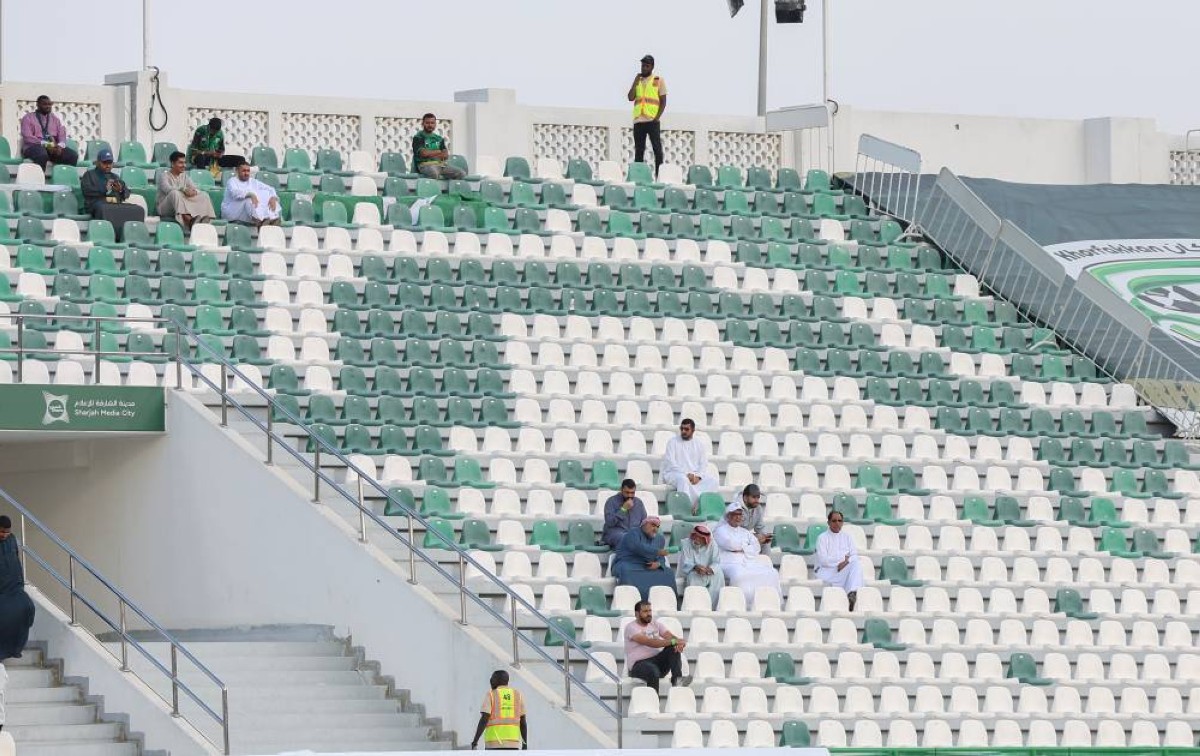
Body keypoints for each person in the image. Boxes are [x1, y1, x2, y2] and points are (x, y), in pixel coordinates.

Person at [713, 503, 782, 602]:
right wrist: (747, 546)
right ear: (728, 516)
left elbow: (756, 547)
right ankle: (739, 602)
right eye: (735, 514)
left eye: (740, 515)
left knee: (772, 572)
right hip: (728, 563)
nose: (738, 517)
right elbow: (731, 545)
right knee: (739, 574)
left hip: (747, 561)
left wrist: (742, 548)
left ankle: (766, 602)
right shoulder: (720, 531)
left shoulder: (744, 532)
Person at [80, 150, 144, 242]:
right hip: (96, 204)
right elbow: (87, 191)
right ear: (98, 162)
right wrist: (105, 189)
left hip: (115, 204)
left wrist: (120, 190)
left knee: (138, 209)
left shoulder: (115, 177)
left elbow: (126, 193)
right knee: (103, 208)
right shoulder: (89, 175)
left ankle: (131, 239)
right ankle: (107, 237)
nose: (108, 165)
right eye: (104, 163)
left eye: (110, 163)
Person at [624, 600, 685, 693]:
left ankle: (678, 683)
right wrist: (674, 641)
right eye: (645, 611)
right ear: (637, 613)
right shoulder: (631, 628)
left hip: (657, 662)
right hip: (638, 666)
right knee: (653, 671)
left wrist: (679, 643)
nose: (649, 614)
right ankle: (654, 703)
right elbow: (651, 642)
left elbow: (670, 637)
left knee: (672, 648)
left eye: (650, 611)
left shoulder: (655, 624)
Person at [612, 517, 675, 601]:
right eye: (653, 525)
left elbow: (661, 558)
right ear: (644, 524)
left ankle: (665, 602)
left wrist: (658, 564)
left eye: (657, 527)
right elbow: (638, 547)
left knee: (669, 572)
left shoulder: (660, 539)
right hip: (629, 564)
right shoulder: (633, 533)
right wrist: (657, 551)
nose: (655, 529)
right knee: (625, 570)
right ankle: (631, 601)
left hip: (648, 566)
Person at [815, 510, 864, 611]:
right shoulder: (822, 538)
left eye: (839, 521)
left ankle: (852, 594)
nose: (837, 523)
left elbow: (854, 555)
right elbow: (824, 561)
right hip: (827, 572)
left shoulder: (847, 537)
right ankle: (851, 594)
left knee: (857, 564)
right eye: (834, 521)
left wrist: (846, 562)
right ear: (828, 522)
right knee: (855, 569)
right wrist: (842, 559)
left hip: (842, 570)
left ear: (842, 522)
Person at [661, 419, 718, 506]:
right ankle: (686, 508)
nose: (683, 431)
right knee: (683, 480)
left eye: (686, 429)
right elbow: (671, 463)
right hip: (674, 474)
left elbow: (703, 464)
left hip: (694, 476)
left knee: (713, 481)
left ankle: (699, 505)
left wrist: (698, 477)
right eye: (682, 429)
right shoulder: (672, 442)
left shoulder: (699, 444)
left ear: (693, 430)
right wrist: (687, 474)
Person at [626, 54, 667, 176]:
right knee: (639, 150)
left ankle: (659, 176)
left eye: (647, 66)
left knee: (657, 150)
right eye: (643, 65)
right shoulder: (638, 81)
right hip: (639, 121)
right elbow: (630, 97)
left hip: (652, 121)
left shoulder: (658, 80)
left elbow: (663, 102)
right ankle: (638, 176)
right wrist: (635, 81)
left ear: (652, 67)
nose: (644, 68)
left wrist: (656, 118)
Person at [0, 517, 33, 660]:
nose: (4, 535)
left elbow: (16, 559)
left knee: (27, 607)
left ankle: (16, 648)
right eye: (1, 531)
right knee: (5, 615)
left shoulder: (12, 540)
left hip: (15, 587)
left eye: (6, 532)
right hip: (1, 591)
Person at [470, 670, 527, 750]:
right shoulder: (517, 695)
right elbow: (523, 722)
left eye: (492, 679)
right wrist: (525, 744)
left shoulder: (491, 695)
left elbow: (484, 718)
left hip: (493, 745)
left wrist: (475, 741)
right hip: (513, 745)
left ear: (496, 680)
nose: (490, 681)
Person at [157, 151, 215, 230]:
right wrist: (183, 189)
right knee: (175, 193)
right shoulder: (164, 176)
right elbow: (167, 189)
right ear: (172, 164)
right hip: (165, 208)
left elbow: (194, 187)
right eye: (180, 163)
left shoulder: (184, 176)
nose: (184, 165)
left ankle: (204, 219)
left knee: (204, 195)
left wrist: (194, 192)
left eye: (184, 163)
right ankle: (189, 220)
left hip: (179, 204)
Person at [18, 96, 78, 170]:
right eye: (45, 104)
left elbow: (62, 134)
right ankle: (39, 179)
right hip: (34, 146)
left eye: (50, 104)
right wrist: (48, 144)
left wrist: (59, 146)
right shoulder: (28, 118)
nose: (48, 106)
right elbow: (28, 137)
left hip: (53, 147)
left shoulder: (55, 119)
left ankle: (66, 179)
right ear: (38, 105)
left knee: (72, 155)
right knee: (42, 154)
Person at [676, 524, 725, 608]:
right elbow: (685, 563)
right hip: (692, 571)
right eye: (695, 536)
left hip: (708, 571)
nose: (696, 539)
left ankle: (713, 607)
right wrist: (695, 567)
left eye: (700, 537)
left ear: (705, 539)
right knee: (693, 577)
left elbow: (716, 562)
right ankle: (694, 607)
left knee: (719, 574)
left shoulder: (712, 544)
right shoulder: (686, 543)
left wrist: (709, 569)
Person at [221, 161, 281, 226]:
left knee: (267, 195)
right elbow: (235, 193)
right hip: (232, 211)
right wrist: (250, 194)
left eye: (248, 171)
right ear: (237, 171)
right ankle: (260, 221)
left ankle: (273, 219)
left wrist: (273, 197)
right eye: (244, 171)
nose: (246, 173)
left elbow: (270, 189)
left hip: (246, 213)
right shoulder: (232, 181)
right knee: (248, 199)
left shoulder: (253, 181)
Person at [412, 113, 465, 180]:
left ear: (435, 124)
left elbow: (445, 155)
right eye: (427, 123)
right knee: (433, 173)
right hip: (425, 165)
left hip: (441, 165)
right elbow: (424, 154)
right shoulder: (418, 137)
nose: (430, 125)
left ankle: (450, 190)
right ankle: (432, 190)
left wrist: (430, 153)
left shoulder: (439, 138)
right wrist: (438, 151)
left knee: (461, 173)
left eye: (432, 123)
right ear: (422, 124)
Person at [601, 479, 647, 550]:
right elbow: (609, 522)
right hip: (615, 534)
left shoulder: (639, 503)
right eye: (627, 492)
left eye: (632, 493)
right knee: (626, 538)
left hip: (634, 534)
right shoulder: (611, 502)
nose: (630, 495)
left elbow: (644, 522)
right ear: (621, 490)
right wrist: (623, 509)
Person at [735, 484, 773, 554]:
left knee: (765, 542)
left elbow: (760, 527)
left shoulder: (758, 508)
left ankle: (765, 564)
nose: (757, 500)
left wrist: (764, 536)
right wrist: (753, 538)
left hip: (746, 537)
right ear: (745, 498)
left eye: (758, 497)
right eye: (754, 497)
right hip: (733, 538)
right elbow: (734, 531)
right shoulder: (736, 508)